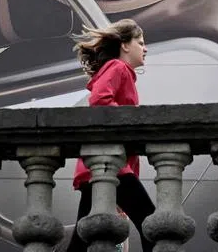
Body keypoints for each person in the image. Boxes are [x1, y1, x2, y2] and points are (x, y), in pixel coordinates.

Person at [66, 19, 153, 252]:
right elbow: (100, 100)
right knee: (151, 225)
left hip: (101, 166)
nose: (145, 49)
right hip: (111, 167)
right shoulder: (118, 67)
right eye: (140, 42)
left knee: (80, 242)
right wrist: (131, 122)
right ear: (125, 45)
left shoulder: (119, 71)